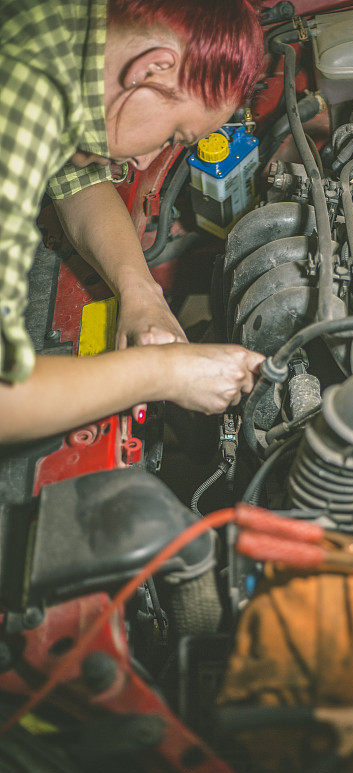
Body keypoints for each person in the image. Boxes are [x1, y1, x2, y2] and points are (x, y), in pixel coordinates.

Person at [0, 0, 264, 443]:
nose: (145, 159)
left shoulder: (68, 35)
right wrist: (161, 374)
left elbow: (77, 181)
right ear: (153, 68)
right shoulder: (20, 105)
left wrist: (141, 292)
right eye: (173, 136)